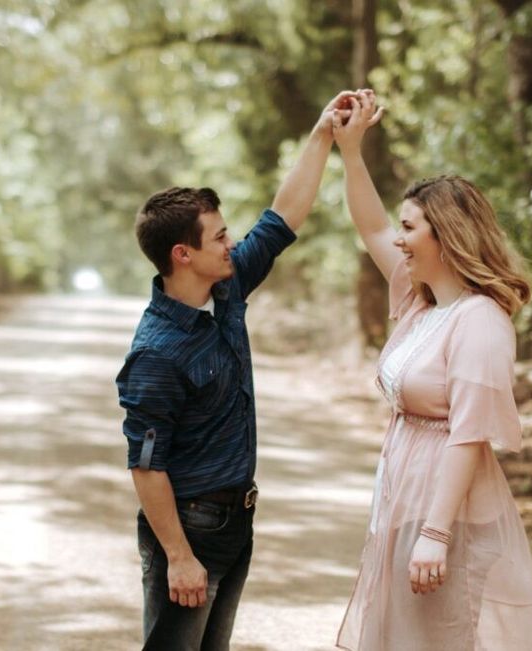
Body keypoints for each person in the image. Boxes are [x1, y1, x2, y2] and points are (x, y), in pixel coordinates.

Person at [115, 91, 357, 650]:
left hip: (235, 519)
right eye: (219, 236)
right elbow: (146, 467)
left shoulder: (225, 289)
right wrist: (178, 557)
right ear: (182, 254)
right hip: (190, 528)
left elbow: (282, 219)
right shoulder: (157, 351)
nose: (231, 242)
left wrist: (322, 134)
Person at [332, 91, 532, 650]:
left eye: (411, 228)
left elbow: (470, 433)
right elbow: (371, 226)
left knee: (442, 638)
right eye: (401, 228)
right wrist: (350, 152)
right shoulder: (421, 301)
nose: (398, 239)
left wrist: (434, 531)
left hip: (451, 507)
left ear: (445, 235)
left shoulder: (480, 321)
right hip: (404, 489)